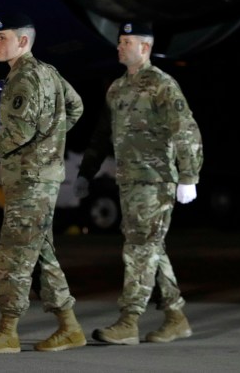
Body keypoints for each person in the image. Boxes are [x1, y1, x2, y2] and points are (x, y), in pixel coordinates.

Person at [0, 12, 86, 353]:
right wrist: (52, 138)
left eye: (2, 37)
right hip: (39, 178)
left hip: (30, 181)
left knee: (13, 255)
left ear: (23, 41)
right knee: (41, 254)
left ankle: (8, 331)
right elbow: (75, 107)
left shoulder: (25, 77)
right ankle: (70, 327)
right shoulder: (48, 72)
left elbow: (19, 131)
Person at [74, 21, 202, 345]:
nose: (119, 46)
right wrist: (86, 172)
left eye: (127, 41)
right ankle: (175, 316)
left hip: (156, 181)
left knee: (139, 249)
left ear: (144, 48)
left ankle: (129, 320)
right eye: (119, 41)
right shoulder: (116, 88)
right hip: (129, 182)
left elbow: (186, 130)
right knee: (150, 249)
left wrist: (189, 176)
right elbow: (102, 134)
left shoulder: (162, 84)